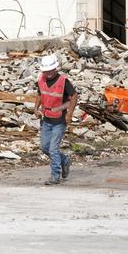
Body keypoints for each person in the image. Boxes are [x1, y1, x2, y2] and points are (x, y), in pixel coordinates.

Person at [32, 53, 77, 186]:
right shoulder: (41, 80)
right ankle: (64, 160)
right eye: (46, 71)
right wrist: (36, 108)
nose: (48, 73)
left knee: (53, 149)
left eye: (50, 70)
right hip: (46, 119)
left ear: (55, 68)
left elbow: (74, 96)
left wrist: (70, 113)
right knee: (45, 147)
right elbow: (40, 94)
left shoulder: (63, 81)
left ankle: (55, 175)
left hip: (59, 120)